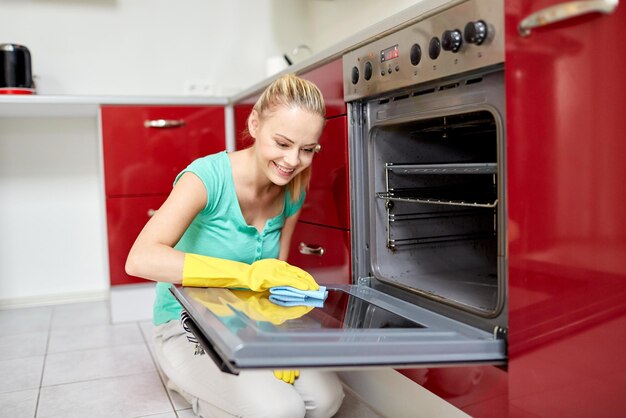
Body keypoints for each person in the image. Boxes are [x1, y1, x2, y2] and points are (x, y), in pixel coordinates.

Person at [125, 73, 345, 418]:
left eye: (307, 150)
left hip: (250, 323)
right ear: (255, 124)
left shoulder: (294, 185)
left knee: (327, 398)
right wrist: (247, 274)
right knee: (279, 410)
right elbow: (139, 259)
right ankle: (187, 382)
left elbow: (275, 279)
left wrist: (279, 336)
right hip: (187, 325)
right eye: (283, 143)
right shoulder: (206, 178)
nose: (292, 161)